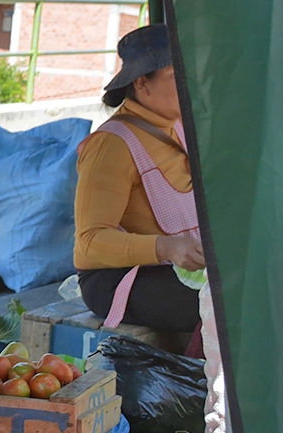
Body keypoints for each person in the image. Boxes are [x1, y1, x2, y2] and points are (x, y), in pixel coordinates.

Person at [73, 24, 203, 334]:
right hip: (118, 279)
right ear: (142, 83)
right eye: (176, 76)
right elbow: (89, 243)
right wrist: (165, 247)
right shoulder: (112, 144)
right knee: (219, 302)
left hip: (173, 270)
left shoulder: (179, 127)